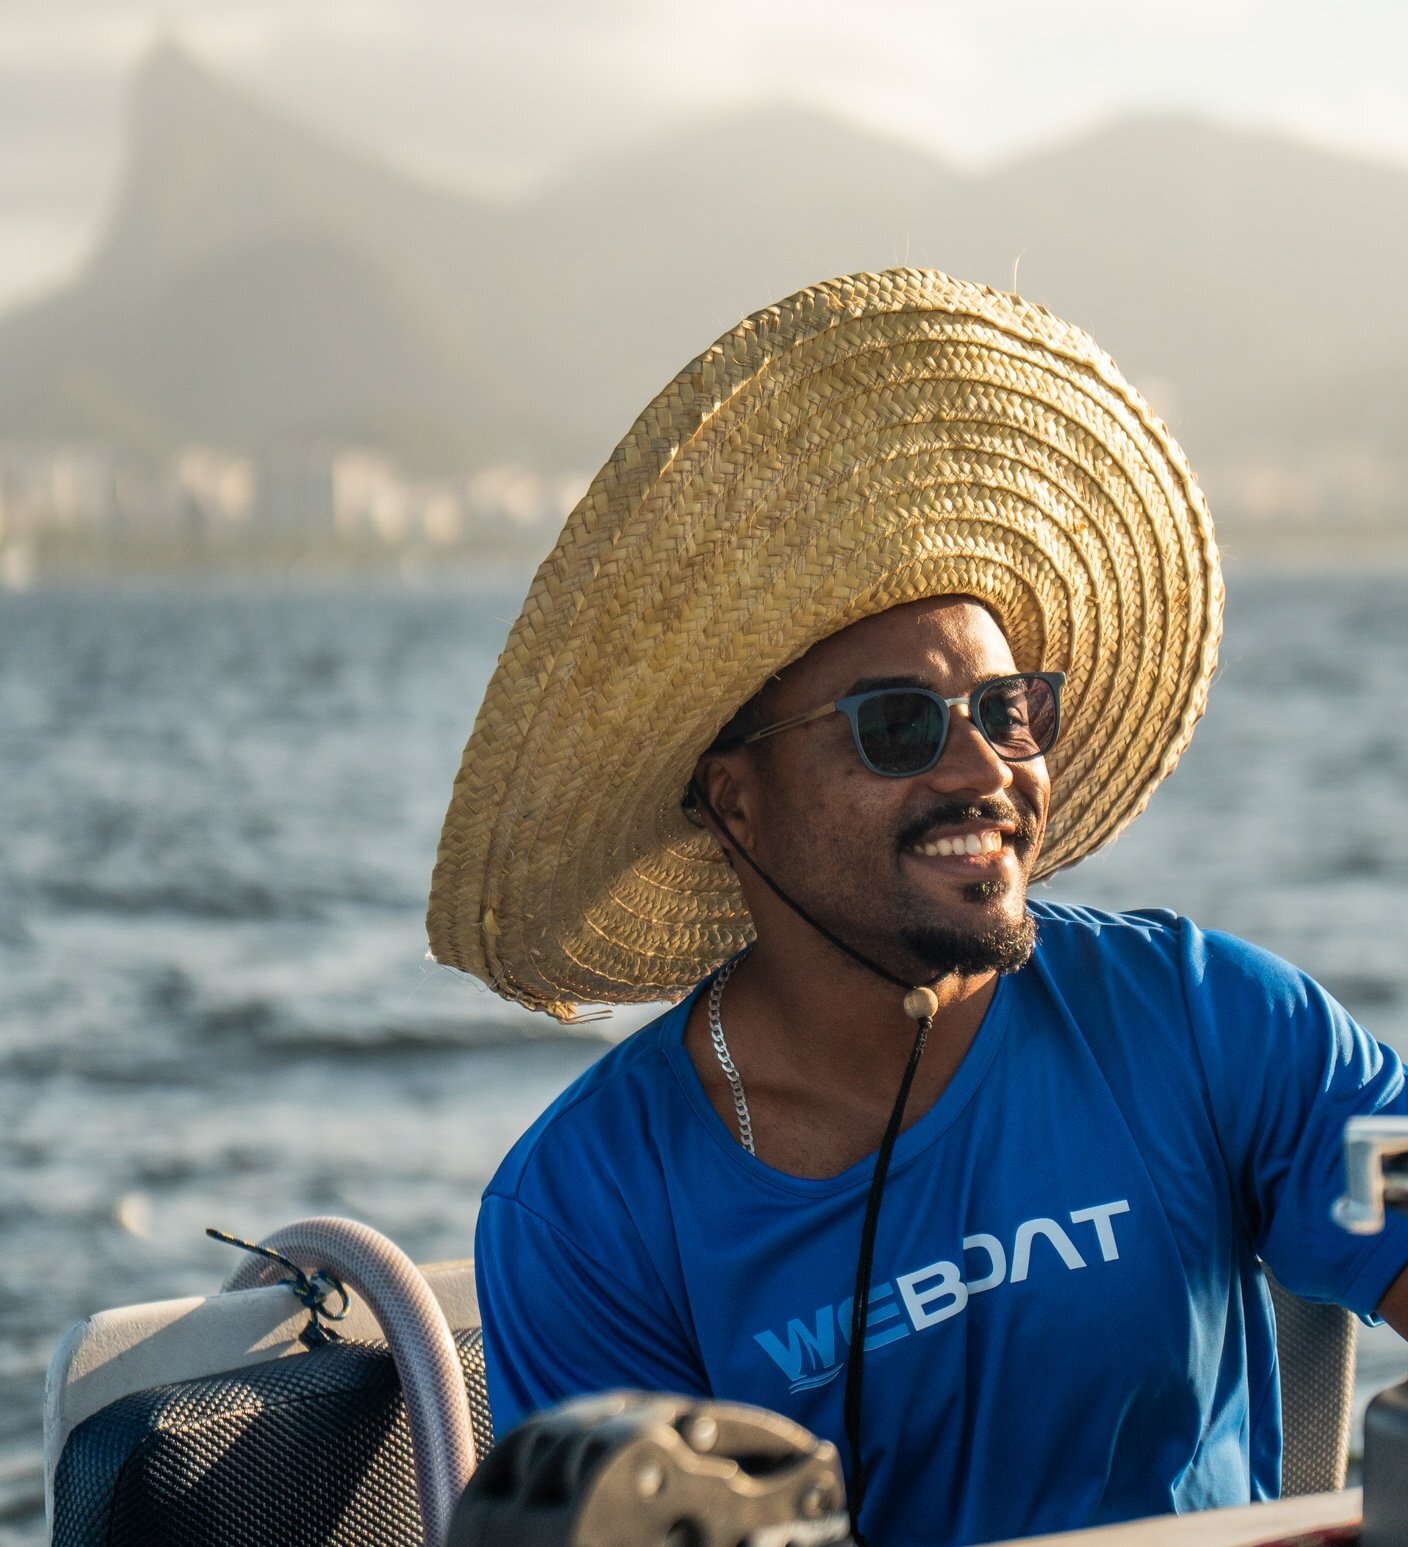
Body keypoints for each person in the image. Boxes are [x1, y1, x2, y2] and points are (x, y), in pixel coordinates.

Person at [426, 269, 1408, 1547]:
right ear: (736, 802)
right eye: (897, 726)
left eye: (1008, 711)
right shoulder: (590, 1207)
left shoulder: (1205, 1014)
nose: (985, 767)